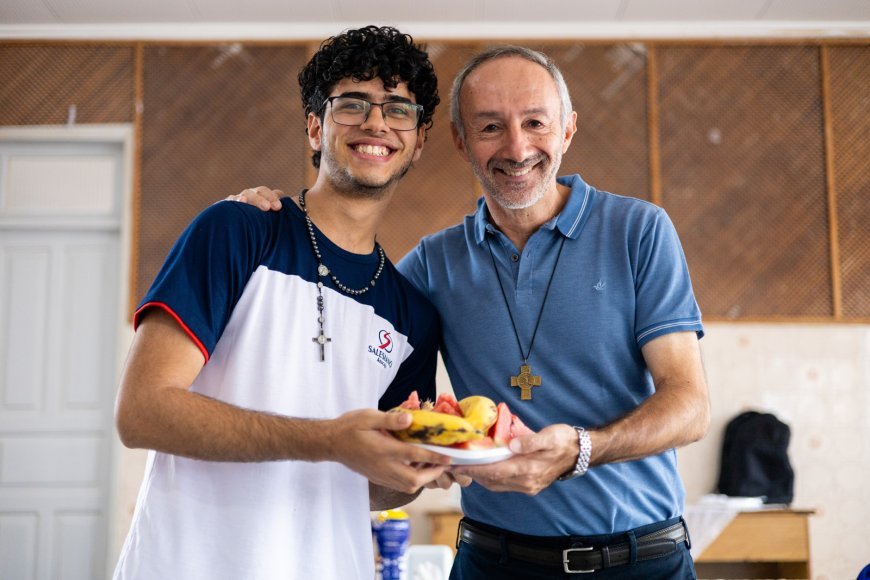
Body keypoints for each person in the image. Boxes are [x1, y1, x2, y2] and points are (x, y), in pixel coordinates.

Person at [236, 45, 710, 579]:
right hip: (491, 562)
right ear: (461, 141)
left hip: (641, 560)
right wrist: (276, 226)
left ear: (568, 130)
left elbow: (689, 406)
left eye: (535, 123)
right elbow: (331, 307)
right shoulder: (430, 266)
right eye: (490, 128)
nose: (517, 147)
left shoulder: (640, 231)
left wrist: (581, 449)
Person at [113, 26, 453, 579]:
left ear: (418, 140)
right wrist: (328, 440)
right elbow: (141, 412)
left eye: (398, 110)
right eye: (352, 104)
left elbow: (370, 485)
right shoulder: (239, 231)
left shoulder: (413, 314)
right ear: (315, 127)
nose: (376, 123)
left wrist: (418, 467)